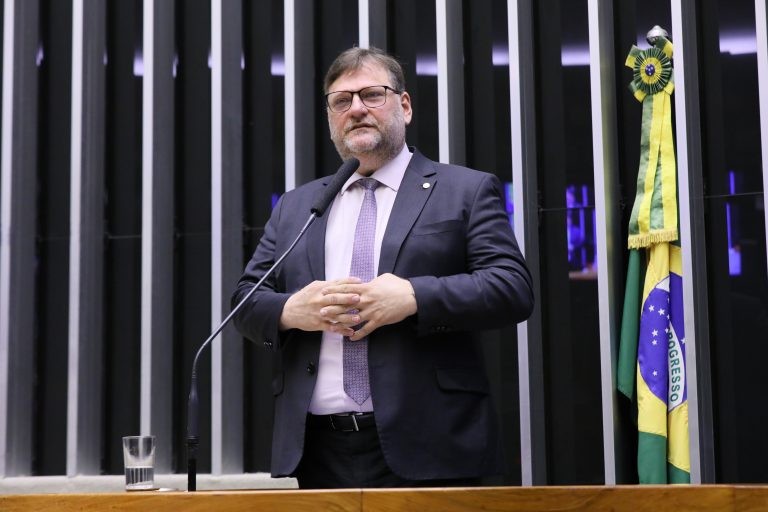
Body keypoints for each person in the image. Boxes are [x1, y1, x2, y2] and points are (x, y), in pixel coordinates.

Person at [232, 46, 534, 489]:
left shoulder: (464, 191)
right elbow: (244, 301)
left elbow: (511, 288)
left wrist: (413, 297)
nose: (356, 109)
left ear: (405, 106)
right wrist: (292, 311)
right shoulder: (299, 206)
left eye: (372, 95)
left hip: (433, 441)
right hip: (319, 450)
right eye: (341, 101)